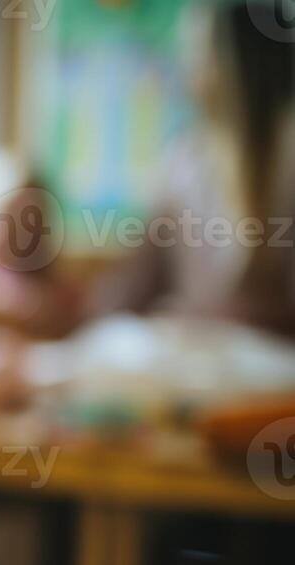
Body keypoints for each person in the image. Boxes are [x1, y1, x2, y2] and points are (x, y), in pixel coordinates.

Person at [93, 1, 295, 337]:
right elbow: (133, 289)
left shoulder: (286, 157)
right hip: (195, 363)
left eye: (201, 52)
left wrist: (211, 318)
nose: (189, 69)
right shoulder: (183, 161)